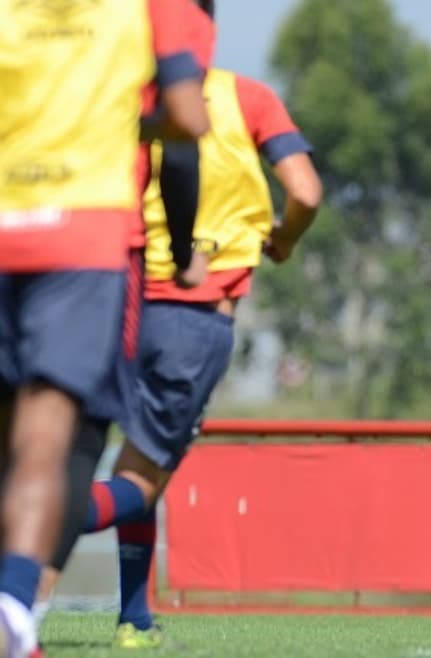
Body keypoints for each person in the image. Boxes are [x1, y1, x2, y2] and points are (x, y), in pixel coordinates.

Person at [38, 49, 323, 648]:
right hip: (191, 318)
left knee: (128, 461)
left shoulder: (119, 93)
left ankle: (133, 617)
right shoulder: (248, 98)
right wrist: (284, 240)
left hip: (108, 300)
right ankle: (25, 532)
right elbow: (305, 191)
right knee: (141, 478)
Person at [0, 1, 210, 656]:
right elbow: (185, 122)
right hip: (86, 239)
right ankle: (12, 603)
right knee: (51, 433)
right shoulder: (155, 7)